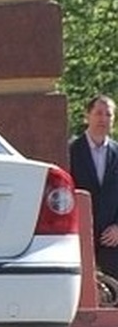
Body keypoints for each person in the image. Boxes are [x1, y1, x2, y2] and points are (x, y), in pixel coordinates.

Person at [68, 94, 118, 277]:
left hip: (111, 240)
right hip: (80, 237)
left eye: (108, 114)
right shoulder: (70, 152)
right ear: (87, 116)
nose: (103, 118)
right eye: (98, 113)